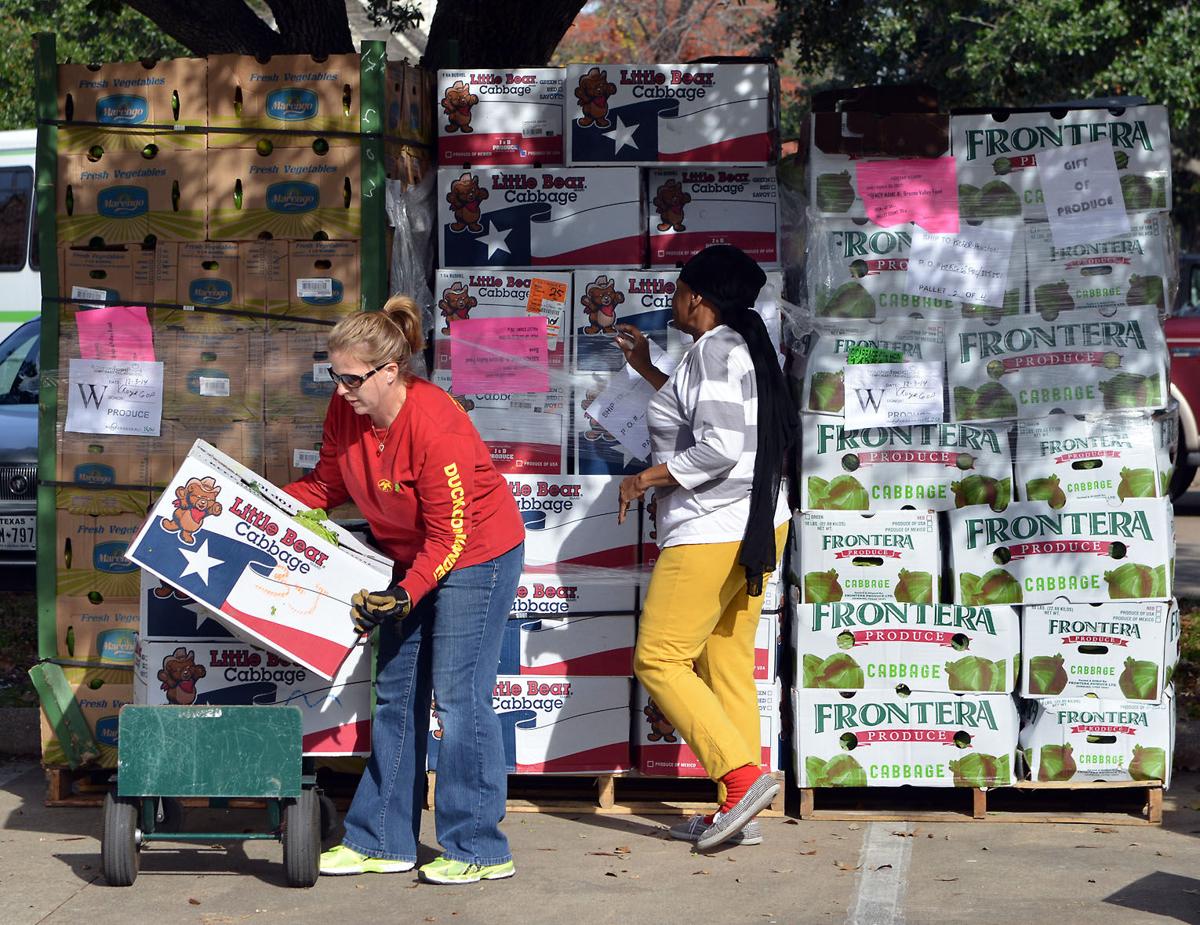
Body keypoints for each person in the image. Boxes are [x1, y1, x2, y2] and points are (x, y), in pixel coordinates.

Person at [283, 295, 525, 885]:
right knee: (395, 693)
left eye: (351, 378)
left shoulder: (436, 422)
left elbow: (450, 536)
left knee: (460, 695)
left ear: (389, 371)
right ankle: (383, 840)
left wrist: (406, 592)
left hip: (477, 554)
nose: (340, 389)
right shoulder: (347, 412)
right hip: (407, 554)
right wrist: (249, 508)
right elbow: (326, 484)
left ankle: (479, 848)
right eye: (333, 375)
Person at [615, 245, 796, 851]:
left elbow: (717, 447)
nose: (671, 298)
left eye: (677, 288)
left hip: (712, 528)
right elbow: (701, 415)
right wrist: (646, 369)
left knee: (660, 659)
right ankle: (738, 806)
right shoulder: (733, 349)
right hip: (754, 522)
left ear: (698, 297)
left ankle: (741, 778)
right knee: (723, 660)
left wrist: (646, 478)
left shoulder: (715, 351)